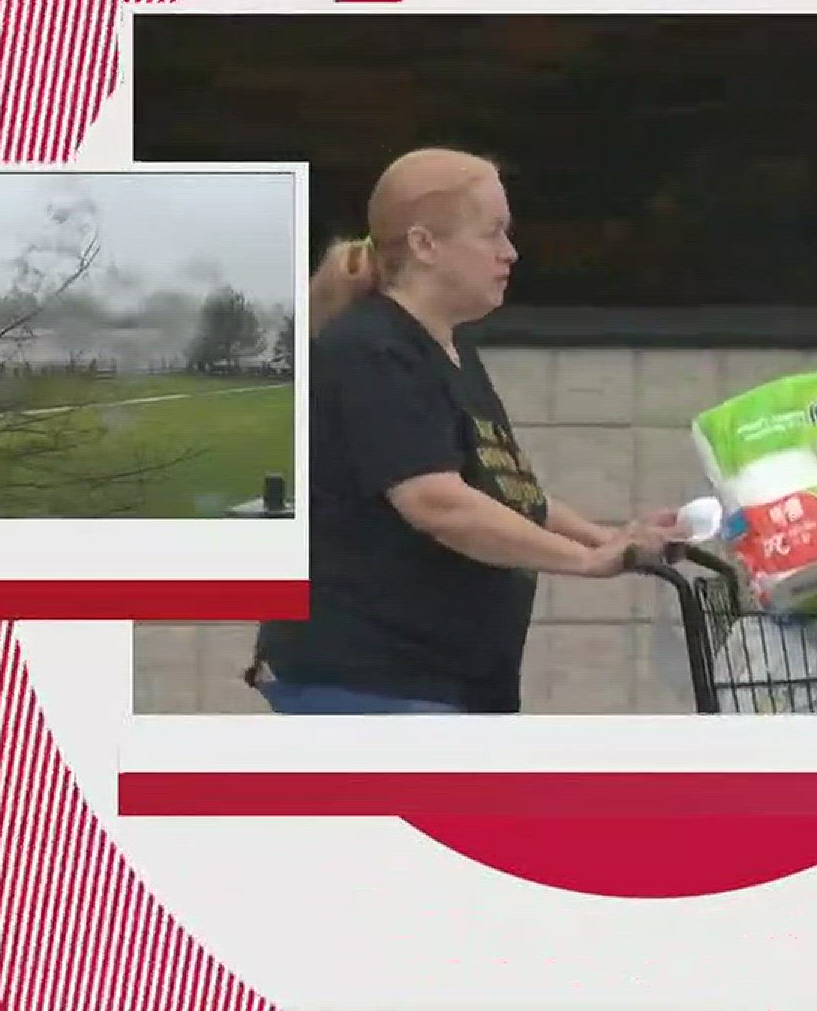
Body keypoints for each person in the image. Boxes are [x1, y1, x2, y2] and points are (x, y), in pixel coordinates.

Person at [250, 147, 680, 715]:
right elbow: (437, 502)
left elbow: (502, 493)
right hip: (372, 681)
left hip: (443, 682)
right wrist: (583, 563)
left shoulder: (444, 348)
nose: (511, 253)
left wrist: (612, 540)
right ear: (426, 245)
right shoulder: (373, 351)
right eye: (492, 233)